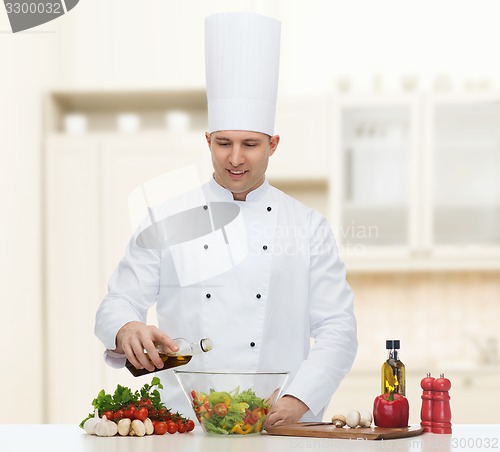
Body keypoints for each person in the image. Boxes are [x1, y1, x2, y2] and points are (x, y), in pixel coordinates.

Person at [95, 12, 357, 427]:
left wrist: (298, 400)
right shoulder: (167, 217)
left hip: (277, 422)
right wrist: (126, 326)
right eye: (224, 143)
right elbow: (118, 301)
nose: (235, 158)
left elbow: (338, 328)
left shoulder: (307, 227)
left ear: (273, 144)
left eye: (250, 144)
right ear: (207, 141)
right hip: (185, 424)